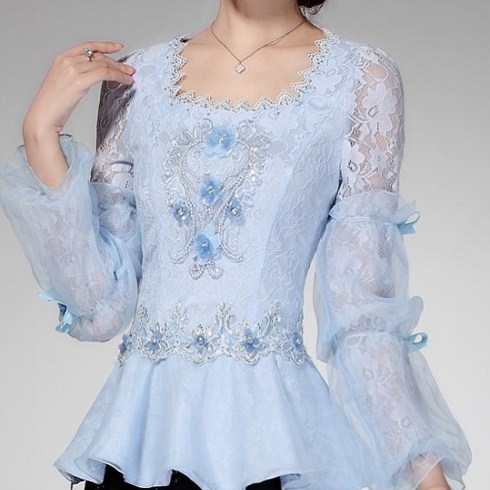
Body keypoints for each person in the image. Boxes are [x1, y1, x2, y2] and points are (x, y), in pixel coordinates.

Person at [0, 0, 472, 489]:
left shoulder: (360, 79)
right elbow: (101, 307)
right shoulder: (138, 79)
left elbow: (361, 314)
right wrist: (41, 134)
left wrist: (424, 475)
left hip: (271, 447)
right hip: (141, 445)